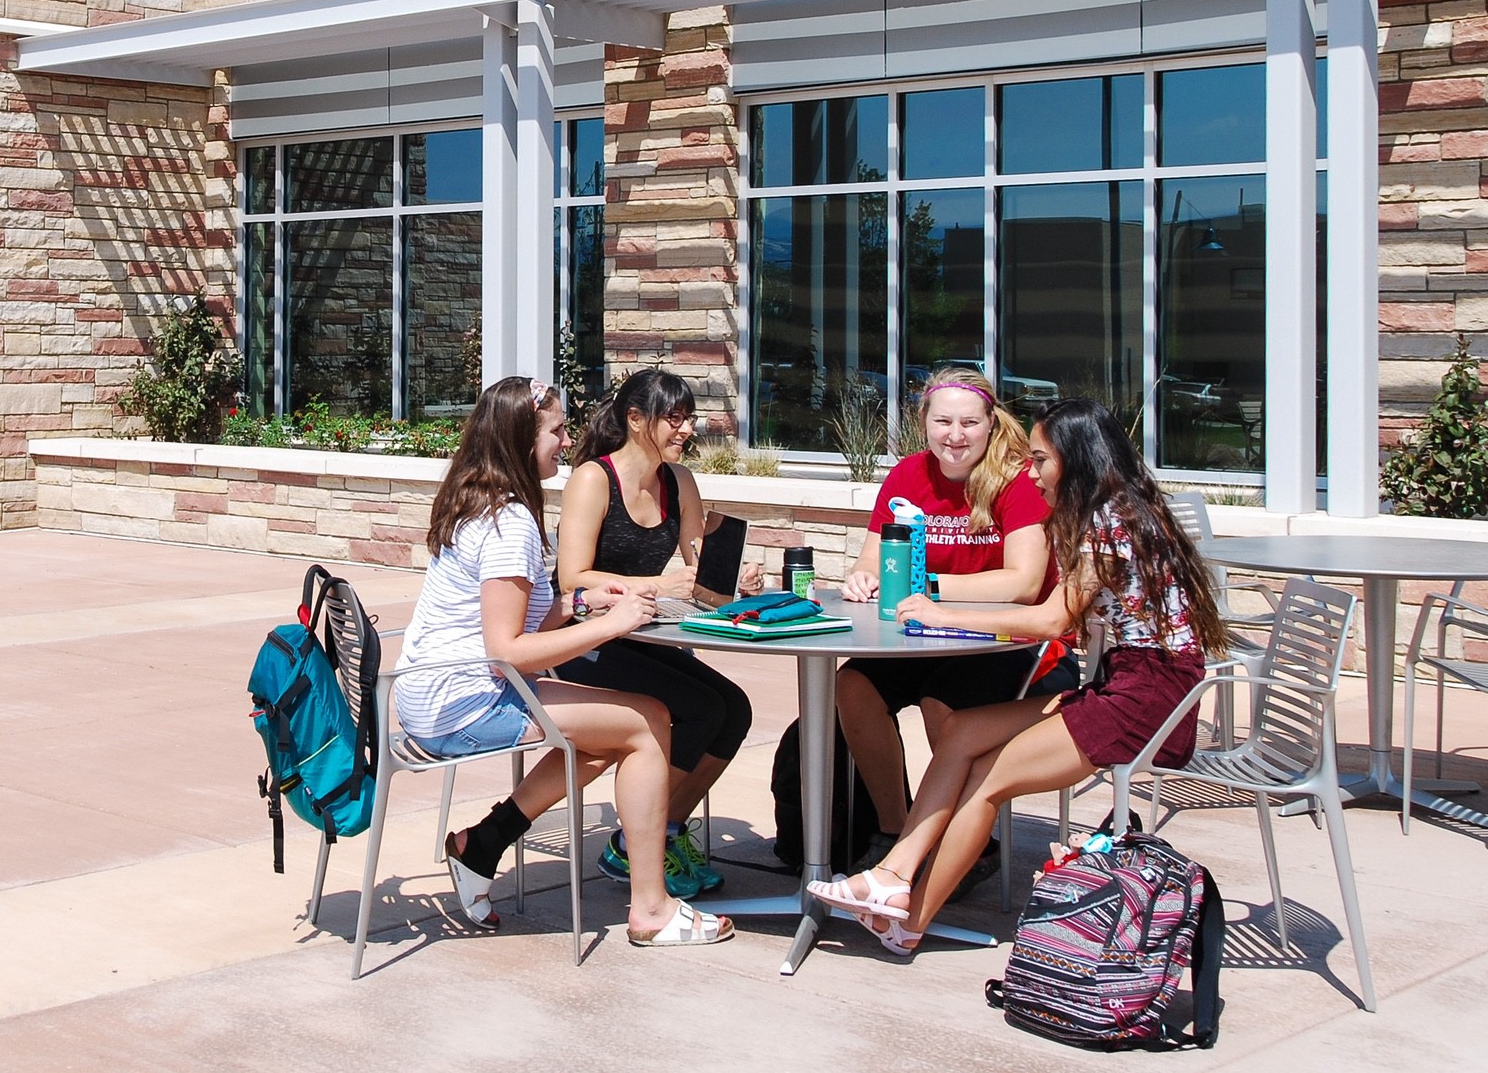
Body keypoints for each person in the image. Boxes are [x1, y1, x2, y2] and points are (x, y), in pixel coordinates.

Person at [806, 398, 1228, 955]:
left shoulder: (1111, 521)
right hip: (1119, 683)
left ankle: (909, 923)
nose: (1031, 472)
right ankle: (891, 875)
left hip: (1147, 700)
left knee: (987, 781)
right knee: (961, 735)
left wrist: (941, 611)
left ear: (1076, 460)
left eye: (1040, 460)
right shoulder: (1113, 509)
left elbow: (1053, 617)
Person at [394, 376, 732, 947]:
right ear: (524, 441)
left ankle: (483, 844)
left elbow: (519, 628)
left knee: (612, 733)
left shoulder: (486, 504)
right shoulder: (509, 524)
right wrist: (609, 625)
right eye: (556, 430)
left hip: (439, 691)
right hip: (463, 702)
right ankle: (650, 908)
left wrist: (581, 602)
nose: (567, 440)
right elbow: (507, 651)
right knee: (648, 723)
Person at [830, 367, 1069, 866]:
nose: (955, 436)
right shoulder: (908, 476)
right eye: (943, 422)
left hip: (1010, 642)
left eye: (969, 423)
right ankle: (897, 832)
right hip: (927, 635)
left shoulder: (1017, 480)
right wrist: (863, 578)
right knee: (852, 685)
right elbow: (872, 559)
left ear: (991, 423)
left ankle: (965, 846)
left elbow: (1024, 584)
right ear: (924, 423)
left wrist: (926, 590)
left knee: (945, 706)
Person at [554, 367, 760, 898]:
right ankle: (636, 844)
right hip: (581, 641)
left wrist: (732, 578)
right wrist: (658, 581)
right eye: (675, 418)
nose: (686, 429)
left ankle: (657, 832)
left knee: (735, 708)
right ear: (635, 420)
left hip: (641, 635)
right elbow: (573, 577)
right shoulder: (593, 480)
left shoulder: (681, 482)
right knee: (700, 707)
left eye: (688, 418)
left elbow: (695, 568)